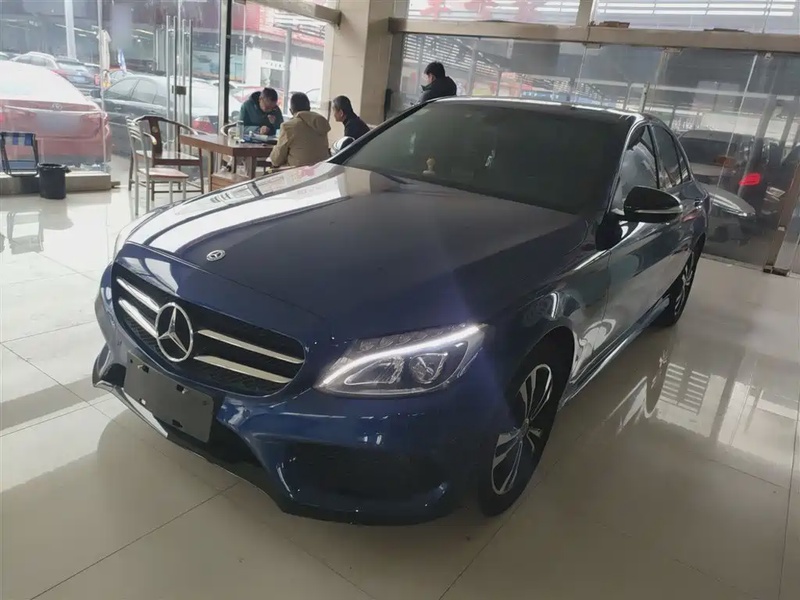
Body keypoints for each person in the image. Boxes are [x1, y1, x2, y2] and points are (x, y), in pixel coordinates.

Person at [269, 92, 331, 168]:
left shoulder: (288, 126)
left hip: (297, 172)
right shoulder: (320, 123)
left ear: (291, 111)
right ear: (309, 108)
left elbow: (276, 160)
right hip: (321, 171)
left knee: (271, 169)